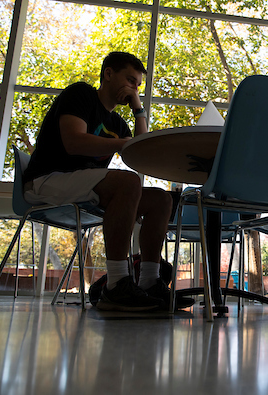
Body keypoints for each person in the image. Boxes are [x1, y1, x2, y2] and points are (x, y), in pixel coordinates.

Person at [23, 52, 192, 312]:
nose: (134, 88)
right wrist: (122, 144)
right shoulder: (80, 94)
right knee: (128, 182)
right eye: (130, 80)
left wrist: (138, 108)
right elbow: (73, 142)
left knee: (160, 199)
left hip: (85, 188)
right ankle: (117, 283)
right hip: (47, 180)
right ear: (108, 74)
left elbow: (141, 152)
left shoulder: (118, 124)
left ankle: (148, 282)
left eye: (138, 85)